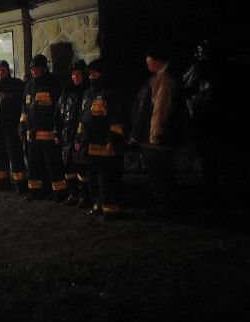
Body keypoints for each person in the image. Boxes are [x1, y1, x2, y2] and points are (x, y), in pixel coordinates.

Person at [131, 48, 185, 210]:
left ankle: (165, 205)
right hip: (151, 137)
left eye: (149, 61)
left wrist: (155, 134)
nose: (147, 64)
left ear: (157, 61)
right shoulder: (158, 79)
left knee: (161, 173)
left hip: (156, 138)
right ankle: (164, 201)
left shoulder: (164, 82)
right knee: (158, 174)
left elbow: (160, 109)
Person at [77, 58, 124, 219]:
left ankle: (110, 209)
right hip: (89, 143)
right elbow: (83, 118)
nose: (91, 77)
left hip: (104, 143)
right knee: (92, 177)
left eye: (94, 74)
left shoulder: (110, 94)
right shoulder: (88, 94)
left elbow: (116, 119)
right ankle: (97, 204)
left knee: (106, 178)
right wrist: (78, 137)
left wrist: (113, 138)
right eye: (89, 74)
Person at [20, 54, 66, 202]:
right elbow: (25, 108)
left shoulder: (53, 84)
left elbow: (58, 109)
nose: (33, 71)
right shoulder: (28, 85)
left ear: (44, 68)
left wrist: (57, 129)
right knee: (33, 164)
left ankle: (59, 192)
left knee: (53, 163)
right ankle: (35, 190)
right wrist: (22, 125)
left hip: (48, 132)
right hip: (32, 133)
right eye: (32, 68)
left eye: (36, 68)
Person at [182, 39, 217, 205]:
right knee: (209, 154)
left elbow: (187, 86)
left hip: (202, 113)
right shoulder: (203, 67)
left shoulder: (201, 67)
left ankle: (210, 189)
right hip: (206, 112)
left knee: (207, 154)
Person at [0, 60, 27, 194]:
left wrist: (20, 123)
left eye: (2, 70)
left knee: (14, 154)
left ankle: (20, 184)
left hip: (11, 126)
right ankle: (2, 182)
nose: (0, 73)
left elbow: (21, 105)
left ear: (8, 71)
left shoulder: (16, 85)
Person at [58, 59, 90, 207]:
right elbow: (58, 113)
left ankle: (85, 196)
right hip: (67, 133)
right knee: (68, 165)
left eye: (77, 74)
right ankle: (73, 194)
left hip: (80, 134)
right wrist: (57, 131)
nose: (75, 77)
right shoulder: (67, 91)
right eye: (72, 74)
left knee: (81, 167)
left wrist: (80, 136)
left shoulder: (87, 92)